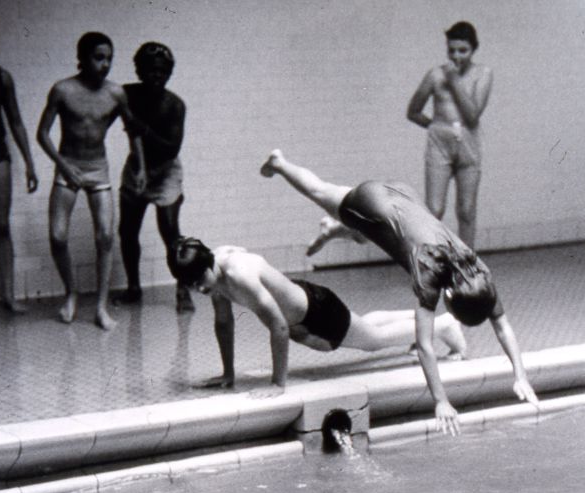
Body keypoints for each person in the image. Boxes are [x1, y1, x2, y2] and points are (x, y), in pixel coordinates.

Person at [260, 149, 539, 434]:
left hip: (403, 199)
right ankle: (280, 163)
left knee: (372, 233)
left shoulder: (478, 273)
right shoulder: (429, 271)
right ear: (450, 297)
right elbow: (426, 345)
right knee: (320, 192)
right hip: (373, 202)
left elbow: (502, 326)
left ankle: (336, 229)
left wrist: (521, 376)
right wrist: (440, 400)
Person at [167, 237, 467, 396]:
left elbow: (279, 327)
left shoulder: (238, 275)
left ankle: (442, 326)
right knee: (362, 325)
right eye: (190, 286)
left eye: (198, 281)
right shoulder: (213, 275)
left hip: (317, 312)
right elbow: (224, 323)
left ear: (208, 264)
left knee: (372, 342)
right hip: (308, 301)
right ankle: (426, 324)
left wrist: (277, 384)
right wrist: (228, 373)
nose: (197, 289)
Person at [37, 32, 145, 330]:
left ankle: (100, 307)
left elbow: (132, 129)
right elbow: (42, 133)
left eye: (109, 58)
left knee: (106, 237)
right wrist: (63, 166)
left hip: (98, 169)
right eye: (98, 58)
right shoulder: (62, 90)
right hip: (68, 166)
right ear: (83, 59)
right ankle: (71, 293)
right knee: (57, 235)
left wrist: (140, 166)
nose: (105, 64)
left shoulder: (115, 94)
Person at [114, 42, 194, 313]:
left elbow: (171, 148)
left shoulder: (175, 105)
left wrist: (143, 130)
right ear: (139, 71)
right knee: (127, 231)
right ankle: (134, 288)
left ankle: (183, 288)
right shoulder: (127, 94)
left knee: (170, 232)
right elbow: (103, 109)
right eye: (149, 70)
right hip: (137, 167)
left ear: (168, 73)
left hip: (166, 171)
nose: (155, 76)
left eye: (161, 71)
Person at [406, 21, 492, 249]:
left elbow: (472, 115)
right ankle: (435, 261)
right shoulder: (435, 75)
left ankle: (467, 264)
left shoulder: (483, 74)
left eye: (462, 50)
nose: (456, 56)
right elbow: (413, 111)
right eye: (451, 50)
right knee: (434, 209)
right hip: (440, 144)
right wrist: (436, 126)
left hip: (468, 144)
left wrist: (454, 81)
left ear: (473, 49)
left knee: (466, 209)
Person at [0, 16, 38, 314]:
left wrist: (29, 162)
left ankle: (9, 295)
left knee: (2, 225)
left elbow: (16, 121)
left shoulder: (1, 77)